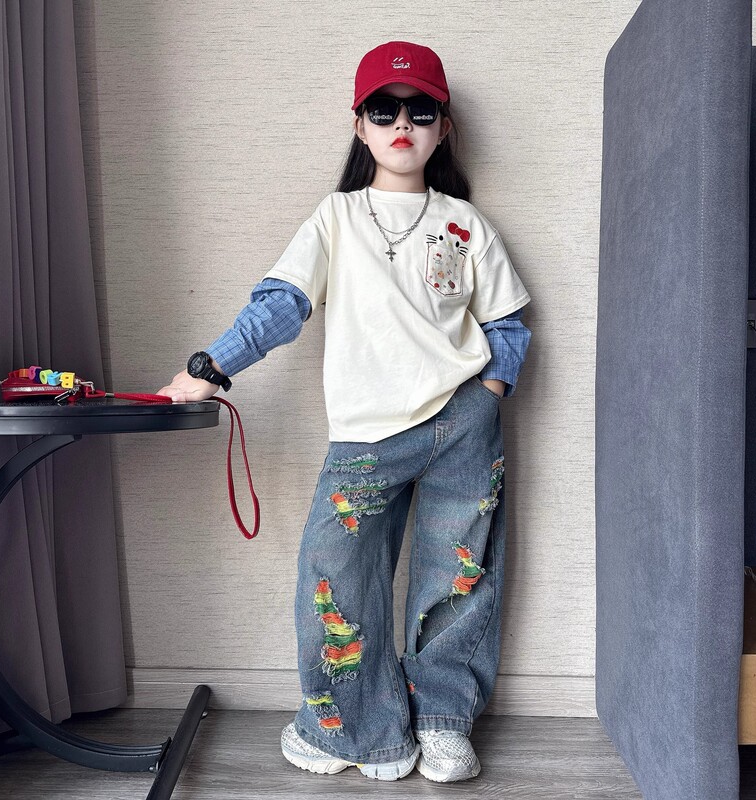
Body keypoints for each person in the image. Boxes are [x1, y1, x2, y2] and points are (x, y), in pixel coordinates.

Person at [157, 40, 532, 783]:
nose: (402, 124)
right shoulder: (337, 217)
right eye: (383, 110)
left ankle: (444, 724)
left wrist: (488, 397)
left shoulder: (465, 223)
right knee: (335, 576)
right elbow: (283, 304)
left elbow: (509, 326)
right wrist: (210, 369)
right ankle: (361, 733)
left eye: (420, 110)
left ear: (443, 128)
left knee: (458, 574)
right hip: (367, 435)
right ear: (359, 125)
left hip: (462, 422)